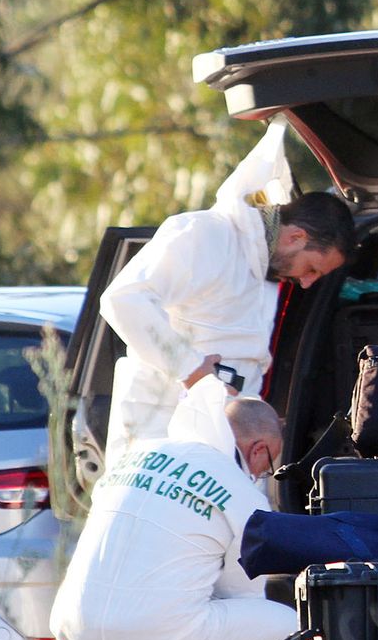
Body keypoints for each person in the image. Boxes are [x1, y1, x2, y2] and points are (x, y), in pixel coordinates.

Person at [99, 123, 355, 468]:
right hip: (163, 440)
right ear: (296, 237)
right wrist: (190, 370)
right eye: (311, 269)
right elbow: (123, 299)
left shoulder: (263, 270)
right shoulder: (206, 235)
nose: (307, 283)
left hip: (224, 445)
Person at [49, 381, 297, 640]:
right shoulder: (241, 490)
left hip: (72, 631)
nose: (262, 473)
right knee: (288, 624)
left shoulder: (132, 458)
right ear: (257, 450)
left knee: (91, 615)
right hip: (156, 638)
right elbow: (242, 594)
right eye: (267, 461)